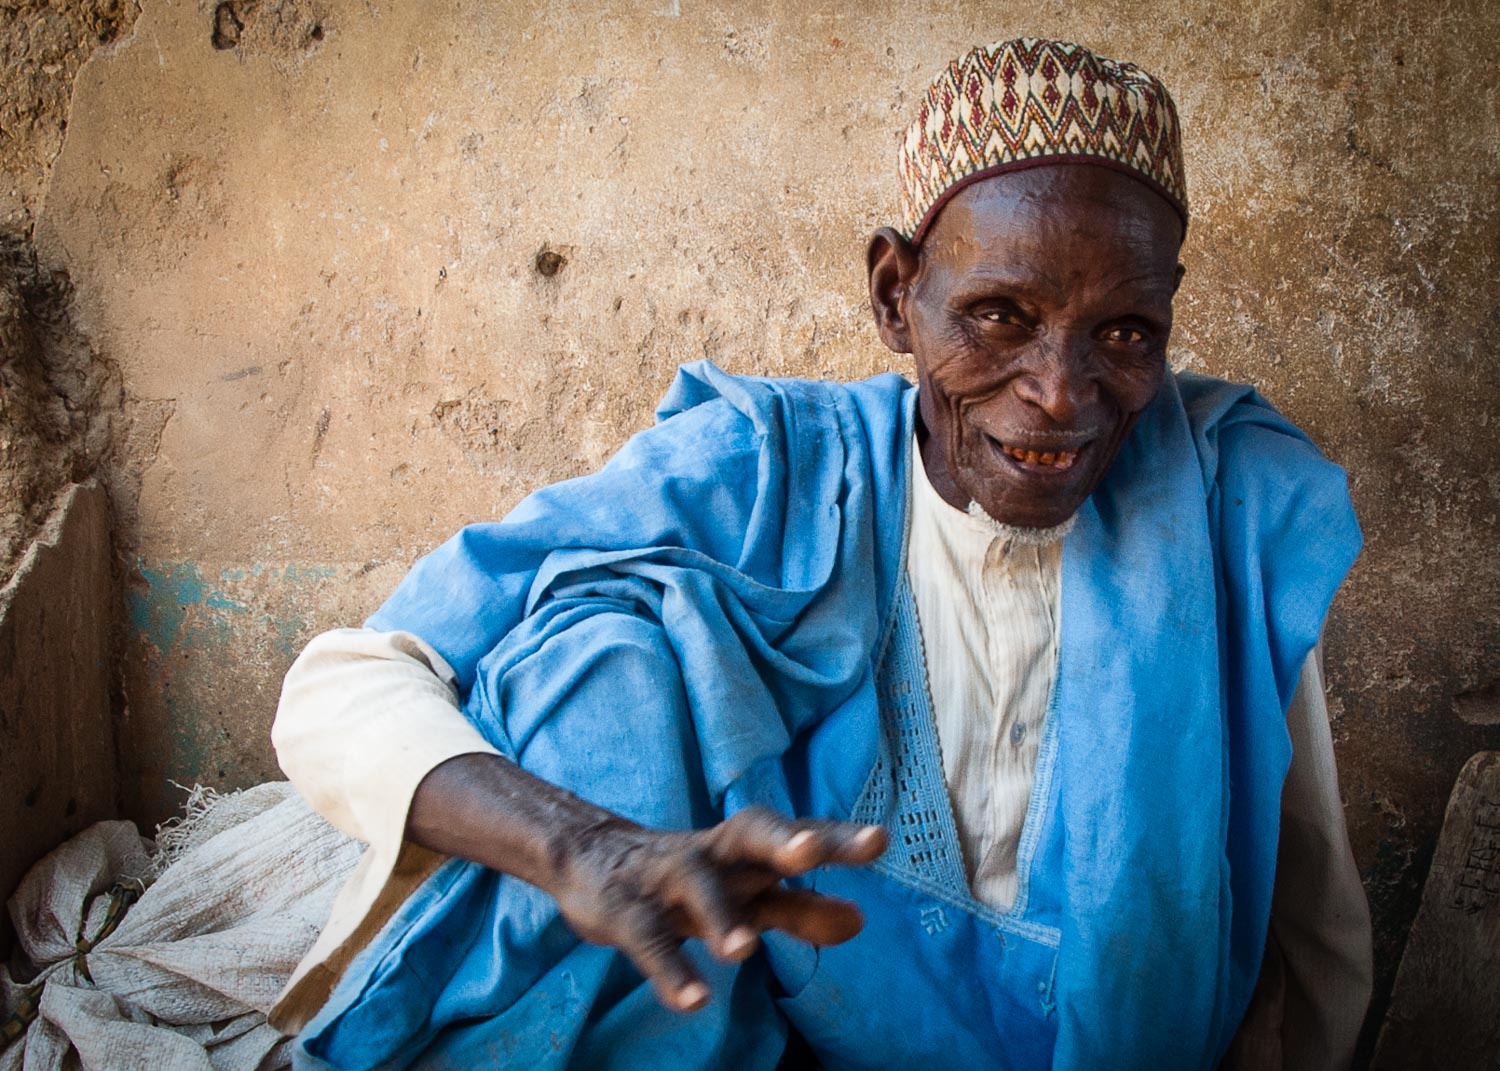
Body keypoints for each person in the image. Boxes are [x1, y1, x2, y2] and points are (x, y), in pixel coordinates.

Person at [270, 38, 1372, 1070]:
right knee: (590, 653)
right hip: (773, 1030)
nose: (1059, 393)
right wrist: (585, 848)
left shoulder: (1221, 499)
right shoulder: (760, 468)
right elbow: (342, 689)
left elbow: (1308, 905)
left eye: (1125, 331)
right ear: (898, 295)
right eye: (997, 316)